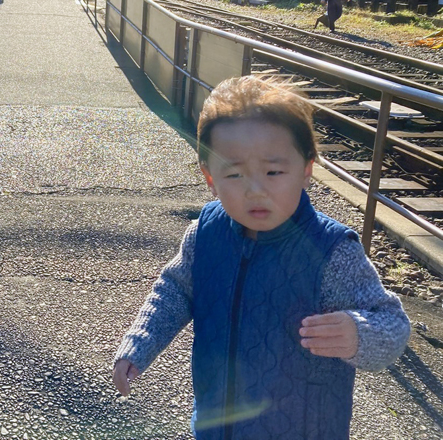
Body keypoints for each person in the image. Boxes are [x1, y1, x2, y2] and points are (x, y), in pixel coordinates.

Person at [113, 76, 410, 440]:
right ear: (210, 176)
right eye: (234, 174)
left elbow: (392, 323)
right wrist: (139, 343)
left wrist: (358, 334)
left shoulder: (331, 251)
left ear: (306, 169)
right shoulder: (206, 233)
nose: (256, 190)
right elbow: (175, 292)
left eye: (273, 172)